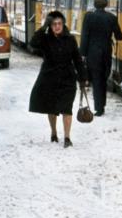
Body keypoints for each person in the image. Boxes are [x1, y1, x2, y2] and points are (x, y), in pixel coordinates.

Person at [29, 10, 86, 148]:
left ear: (63, 24)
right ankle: (54, 132)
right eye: (54, 24)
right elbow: (33, 43)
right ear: (50, 25)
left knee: (67, 108)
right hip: (49, 78)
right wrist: (43, 27)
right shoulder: (45, 39)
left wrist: (83, 78)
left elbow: (77, 60)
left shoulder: (70, 39)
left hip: (67, 79)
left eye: (59, 23)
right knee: (52, 108)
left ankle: (67, 137)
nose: (57, 26)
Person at [79, 0, 122, 116]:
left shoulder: (89, 17)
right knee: (103, 79)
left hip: (92, 53)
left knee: (97, 79)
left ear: (95, 5)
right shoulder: (111, 17)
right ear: (106, 5)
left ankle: (99, 108)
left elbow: (84, 36)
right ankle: (101, 105)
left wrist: (82, 54)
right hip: (106, 53)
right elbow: (119, 36)